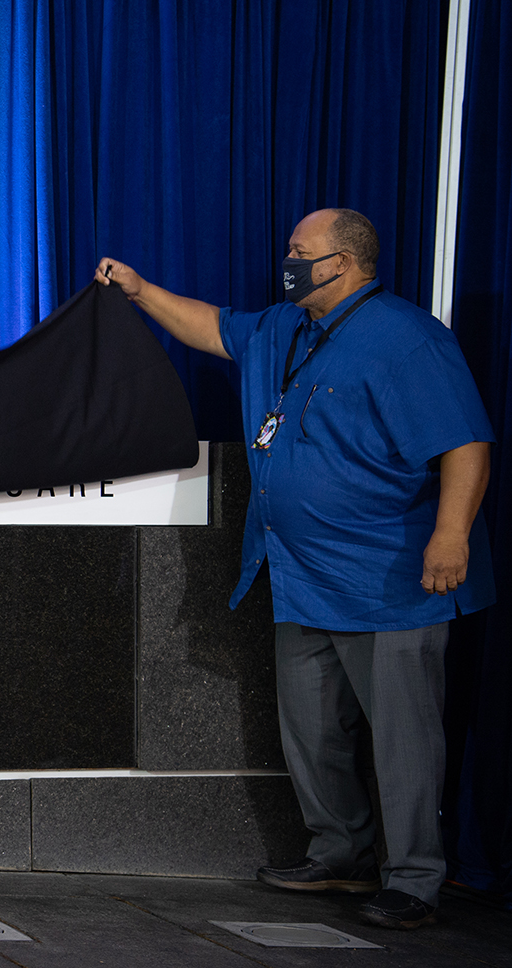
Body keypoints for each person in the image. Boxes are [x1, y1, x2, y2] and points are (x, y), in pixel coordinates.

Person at [97, 208, 493, 931]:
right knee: (311, 730)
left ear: (340, 262)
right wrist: (139, 290)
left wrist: (450, 535)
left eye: (297, 251)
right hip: (301, 573)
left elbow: (463, 444)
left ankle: (412, 878)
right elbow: (211, 325)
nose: (285, 261)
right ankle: (338, 852)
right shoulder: (285, 329)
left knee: (402, 739)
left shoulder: (406, 340)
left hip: (390, 579)